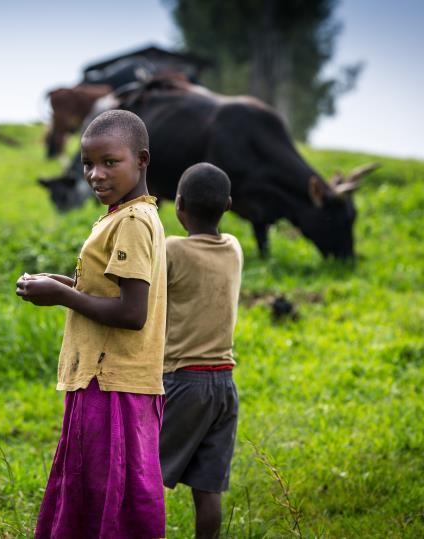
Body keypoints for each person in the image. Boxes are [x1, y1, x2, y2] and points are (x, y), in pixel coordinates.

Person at [16, 109, 167, 538]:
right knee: (94, 488)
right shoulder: (121, 214)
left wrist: (63, 296)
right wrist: (60, 283)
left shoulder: (134, 222)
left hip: (113, 380)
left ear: (142, 159)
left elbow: (131, 313)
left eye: (109, 162)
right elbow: (110, 292)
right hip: (105, 376)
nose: (95, 174)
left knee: (111, 494)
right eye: (87, 163)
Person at [159, 162, 243, 539]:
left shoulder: (172, 250)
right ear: (228, 205)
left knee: (145, 475)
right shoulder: (234, 249)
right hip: (224, 384)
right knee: (208, 490)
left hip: (181, 381)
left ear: (178, 205)